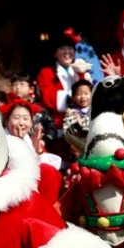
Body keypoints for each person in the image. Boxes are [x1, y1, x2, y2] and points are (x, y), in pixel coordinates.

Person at [35, 27, 92, 164]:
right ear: (55, 53)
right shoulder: (46, 72)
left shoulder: (80, 71)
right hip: (58, 129)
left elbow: (88, 95)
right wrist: (74, 98)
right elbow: (49, 98)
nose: (67, 52)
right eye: (62, 49)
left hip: (82, 128)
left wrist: (82, 75)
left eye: (70, 48)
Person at [0, 99, 63, 203]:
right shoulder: (1, 141)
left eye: (25, 119)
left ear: (31, 123)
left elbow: (46, 172)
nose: (21, 123)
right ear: (7, 121)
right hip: (9, 192)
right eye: (16, 118)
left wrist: (37, 151)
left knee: (49, 171)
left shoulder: (32, 141)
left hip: (32, 192)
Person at [8, 71, 57, 149]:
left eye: (22, 84)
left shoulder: (39, 109)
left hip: (35, 147)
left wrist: (44, 141)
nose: (18, 87)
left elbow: (51, 127)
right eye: (15, 84)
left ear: (31, 89)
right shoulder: (7, 108)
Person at [62, 79, 93, 156]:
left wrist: (82, 124)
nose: (83, 97)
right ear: (73, 97)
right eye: (79, 94)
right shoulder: (71, 113)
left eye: (86, 93)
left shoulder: (96, 110)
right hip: (78, 148)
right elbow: (66, 133)